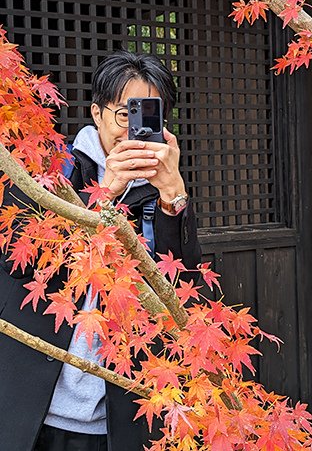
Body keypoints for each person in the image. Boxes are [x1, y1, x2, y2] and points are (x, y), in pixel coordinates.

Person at [0, 50, 202, 451]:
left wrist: (174, 197)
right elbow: (19, 264)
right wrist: (104, 192)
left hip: (118, 413)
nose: (134, 131)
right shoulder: (53, 170)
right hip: (31, 401)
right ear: (97, 114)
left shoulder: (161, 187)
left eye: (149, 115)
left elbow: (186, 294)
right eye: (125, 114)